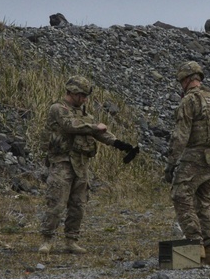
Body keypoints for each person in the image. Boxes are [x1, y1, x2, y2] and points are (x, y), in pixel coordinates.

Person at [39, 75, 137, 254]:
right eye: (82, 95)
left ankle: (71, 240)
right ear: (73, 93)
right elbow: (71, 126)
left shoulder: (84, 114)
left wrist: (120, 144)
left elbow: (100, 133)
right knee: (57, 202)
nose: (84, 99)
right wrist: (94, 127)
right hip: (62, 162)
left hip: (80, 163)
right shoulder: (58, 109)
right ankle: (47, 239)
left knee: (78, 204)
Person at [165, 61, 210, 266]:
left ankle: (195, 243)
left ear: (185, 80)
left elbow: (180, 136)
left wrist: (171, 163)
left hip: (197, 156)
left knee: (180, 196)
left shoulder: (190, 101)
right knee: (205, 203)